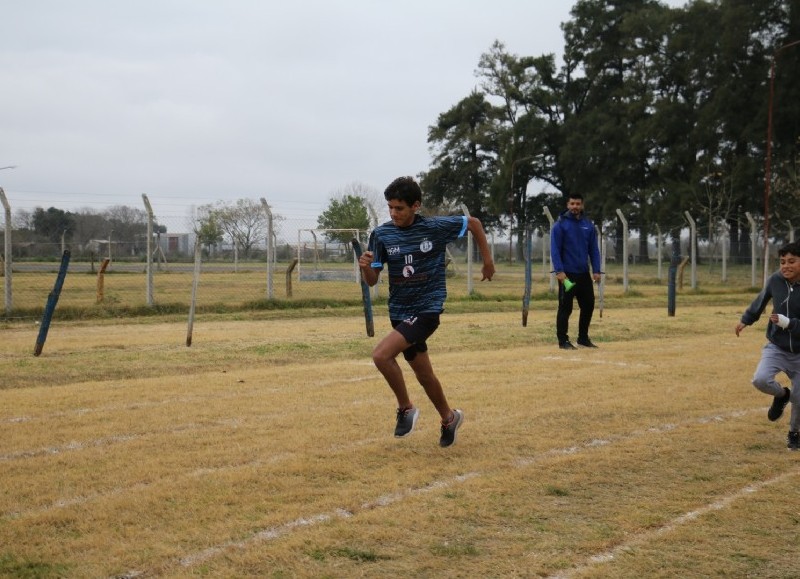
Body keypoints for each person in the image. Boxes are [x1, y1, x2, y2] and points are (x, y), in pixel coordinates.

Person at [357, 176, 495, 447]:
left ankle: (406, 408)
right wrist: (364, 267)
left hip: (427, 309)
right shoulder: (382, 235)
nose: (394, 213)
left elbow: (474, 224)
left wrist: (488, 261)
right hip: (399, 310)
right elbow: (373, 280)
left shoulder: (435, 227)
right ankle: (449, 417)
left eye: (400, 208)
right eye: (390, 208)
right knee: (424, 374)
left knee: (381, 356)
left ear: (416, 206)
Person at [735, 241, 800, 450]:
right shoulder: (776, 280)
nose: (786, 266)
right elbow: (761, 301)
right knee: (760, 380)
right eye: (782, 262)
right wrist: (746, 319)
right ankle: (782, 396)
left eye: (792, 261)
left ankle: (794, 433)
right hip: (777, 347)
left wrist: (789, 323)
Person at [550, 192, 602, 349]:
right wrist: (559, 271)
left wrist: (596, 270)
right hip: (567, 275)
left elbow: (594, 250)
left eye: (578, 204)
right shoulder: (560, 225)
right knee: (566, 307)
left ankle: (583, 338)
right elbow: (555, 250)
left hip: (584, 274)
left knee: (588, 305)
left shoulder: (588, 225)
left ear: (582, 205)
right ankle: (563, 341)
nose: (575, 207)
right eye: (572, 204)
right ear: (567, 205)